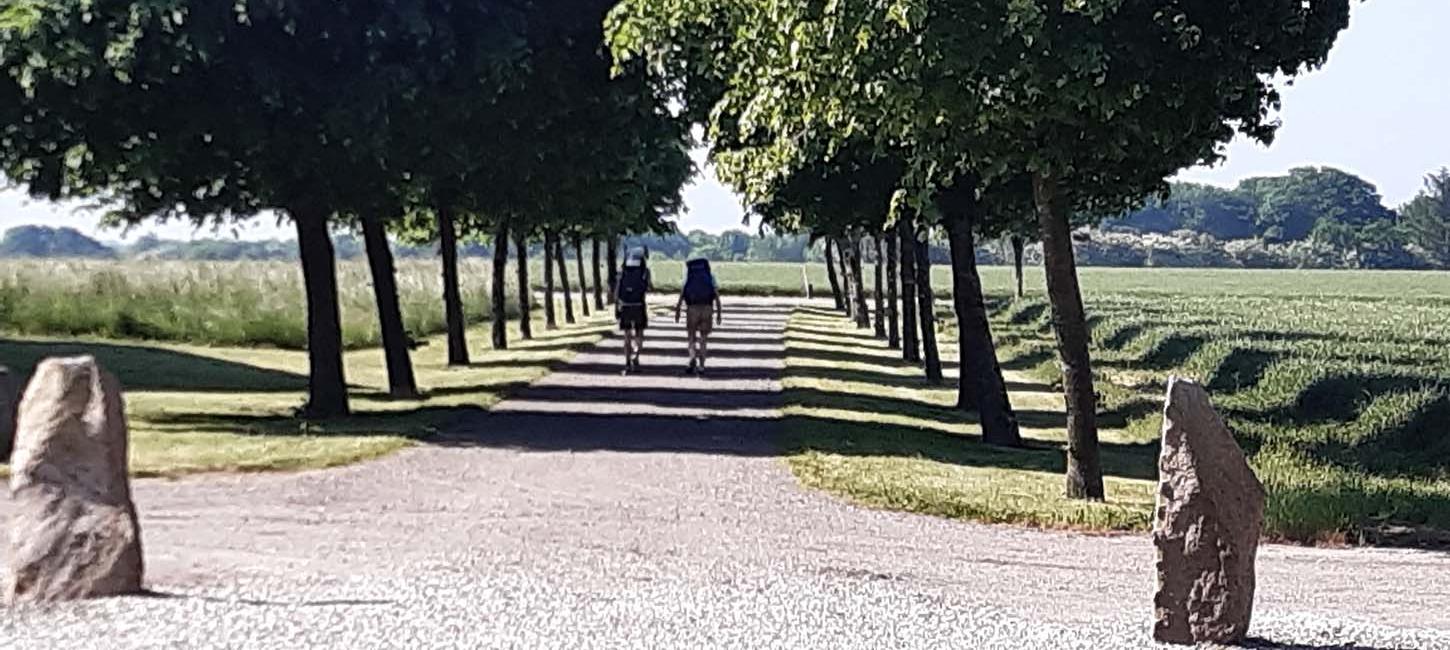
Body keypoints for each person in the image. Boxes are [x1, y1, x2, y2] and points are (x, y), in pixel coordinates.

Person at [676, 257, 722, 375]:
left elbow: (682, 294)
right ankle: (702, 366)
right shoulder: (710, 277)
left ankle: (692, 357)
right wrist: (719, 313)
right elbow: (716, 295)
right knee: (703, 339)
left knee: (691, 336)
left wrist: (678, 310)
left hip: (692, 309)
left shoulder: (689, 276)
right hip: (707, 308)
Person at [614, 247, 651, 373]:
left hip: (625, 306)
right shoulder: (645, 271)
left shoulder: (622, 271)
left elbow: (617, 293)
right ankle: (636, 355)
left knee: (627, 335)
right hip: (639, 305)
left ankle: (627, 361)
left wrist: (617, 307)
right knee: (639, 333)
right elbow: (649, 288)